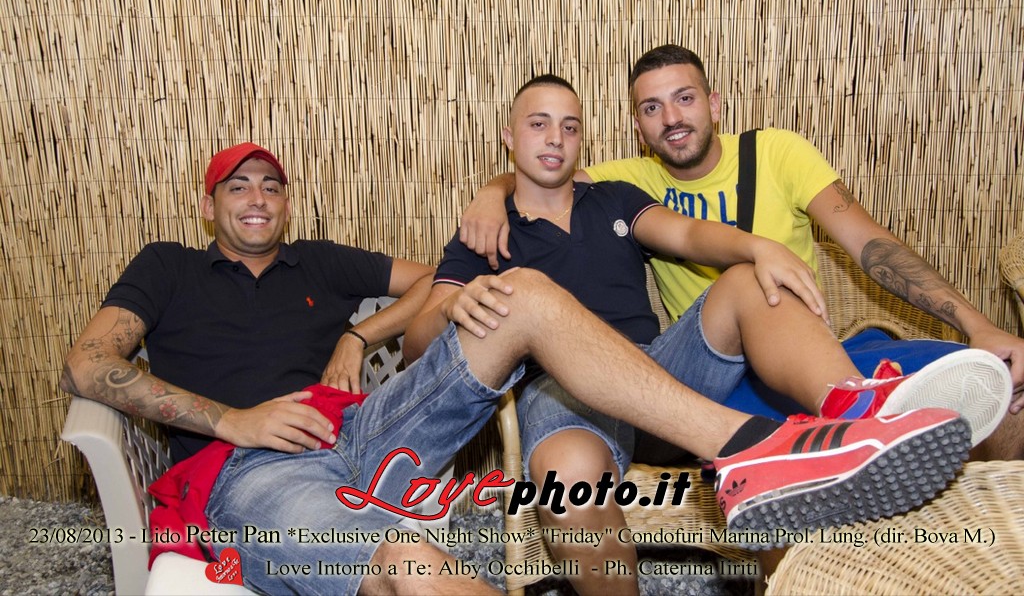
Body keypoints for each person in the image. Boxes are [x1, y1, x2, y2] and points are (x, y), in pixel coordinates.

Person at [63, 142, 969, 595]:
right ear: (210, 203)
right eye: (238, 186)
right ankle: (770, 450)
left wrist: (364, 335)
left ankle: (753, 450)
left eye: (271, 184)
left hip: (364, 427)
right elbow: (89, 362)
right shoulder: (168, 266)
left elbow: (440, 282)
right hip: (254, 468)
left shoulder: (321, 262)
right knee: (410, 565)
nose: (258, 198)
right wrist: (235, 420)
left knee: (523, 293)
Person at [408, 75, 998, 595]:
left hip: (660, 376)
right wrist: (457, 303)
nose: (555, 138)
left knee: (746, 279)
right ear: (509, 138)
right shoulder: (482, 235)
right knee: (568, 486)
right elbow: (416, 345)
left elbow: (689, 235)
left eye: (570, 126)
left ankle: (857, 418)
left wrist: (757, 246)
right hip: (562, 396)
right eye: (538, 124)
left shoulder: (613, 198)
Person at [461, 44, 1023, 429]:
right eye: (652, 108)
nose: (671, 118)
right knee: (749, 293)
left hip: (812, 355)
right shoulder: (628, 185)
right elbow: (545, 169)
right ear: (638, 127)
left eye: (685, 98)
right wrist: (491, 191)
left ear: (714, 104)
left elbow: (871, 245)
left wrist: (977, 325)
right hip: (721, 373)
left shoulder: (777, 152)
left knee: (992, 389)